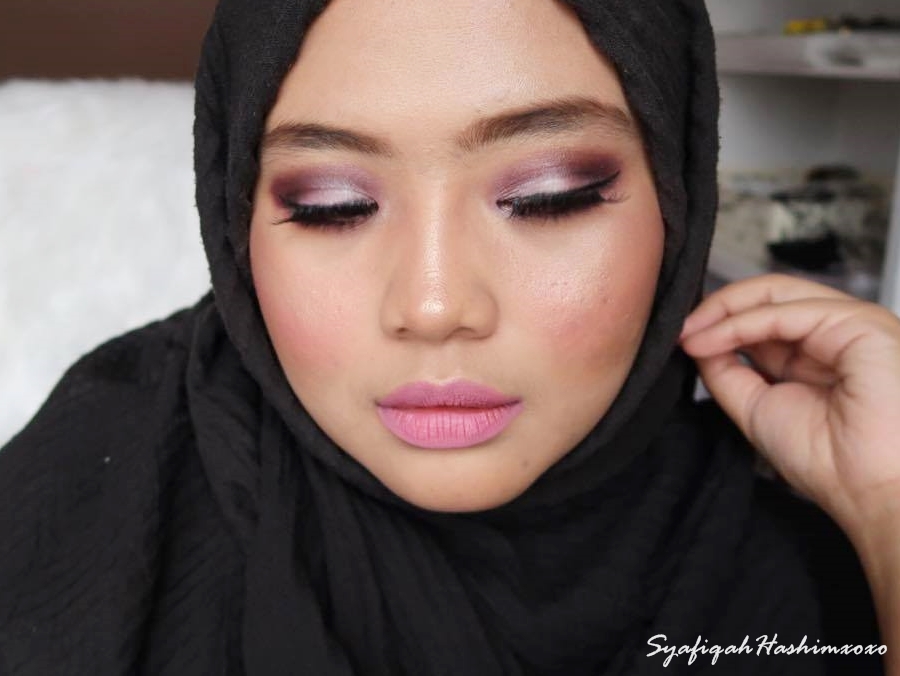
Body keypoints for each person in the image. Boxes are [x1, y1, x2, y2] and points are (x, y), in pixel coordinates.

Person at [0, 0, 898, 673]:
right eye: (330, 206)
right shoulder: (89, 494)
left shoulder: (822, 565)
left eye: (549, 196)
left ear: (679, 203)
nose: (433, 306)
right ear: (235, 223)